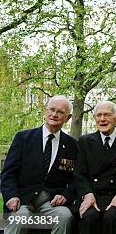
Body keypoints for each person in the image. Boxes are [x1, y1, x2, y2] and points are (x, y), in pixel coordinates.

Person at [1, 95, 77, 234]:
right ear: (45, 110)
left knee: (64, 217)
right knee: (19, 218)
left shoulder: (72, 145)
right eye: (51, 110)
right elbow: (8, 173)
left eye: (60, 112)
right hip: (22, 200)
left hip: (52, 202)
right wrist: (11, 196)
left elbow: (76, 178)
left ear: (68, 117)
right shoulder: (23, 138)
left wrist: (66, 195)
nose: (54, 114)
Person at [74, 100, 116, 234]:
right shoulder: (84, 142)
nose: (102, 119)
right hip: (93, 195)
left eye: (107, 115)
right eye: (98, 115)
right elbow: (80, 173)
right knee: (88, 217)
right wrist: (87, 195)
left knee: (112, 217)